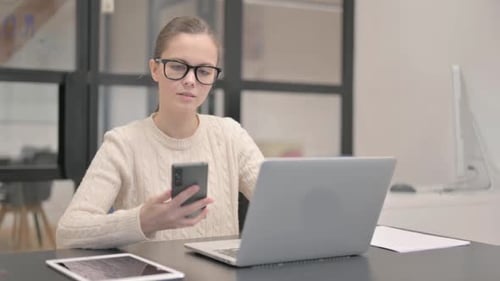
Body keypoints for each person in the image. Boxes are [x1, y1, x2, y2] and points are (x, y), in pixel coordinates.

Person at [56, 16, 264, 249]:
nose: (190, 80)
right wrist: (143, 221)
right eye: (177, 66)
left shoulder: (230, 135)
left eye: (204, 71)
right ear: (155, 69)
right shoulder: (123, 143)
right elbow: (68, 231)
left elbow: (278, 203)